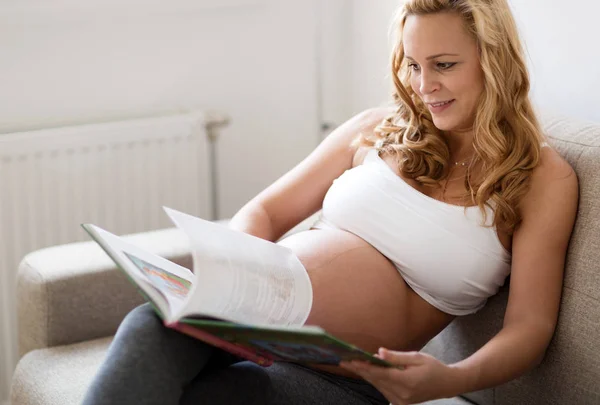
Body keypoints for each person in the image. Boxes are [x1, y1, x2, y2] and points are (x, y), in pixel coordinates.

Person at [82, 0, 578, 404]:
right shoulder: (375, 129)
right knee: (151, 323)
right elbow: (266, 212)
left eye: (444, 66)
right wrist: (239, 283)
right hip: (250, 329)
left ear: (494, 61)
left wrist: (452, 379)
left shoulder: (540, 176)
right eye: (412, 64)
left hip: (339, 381)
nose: (424, 86)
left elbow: (531, 326)